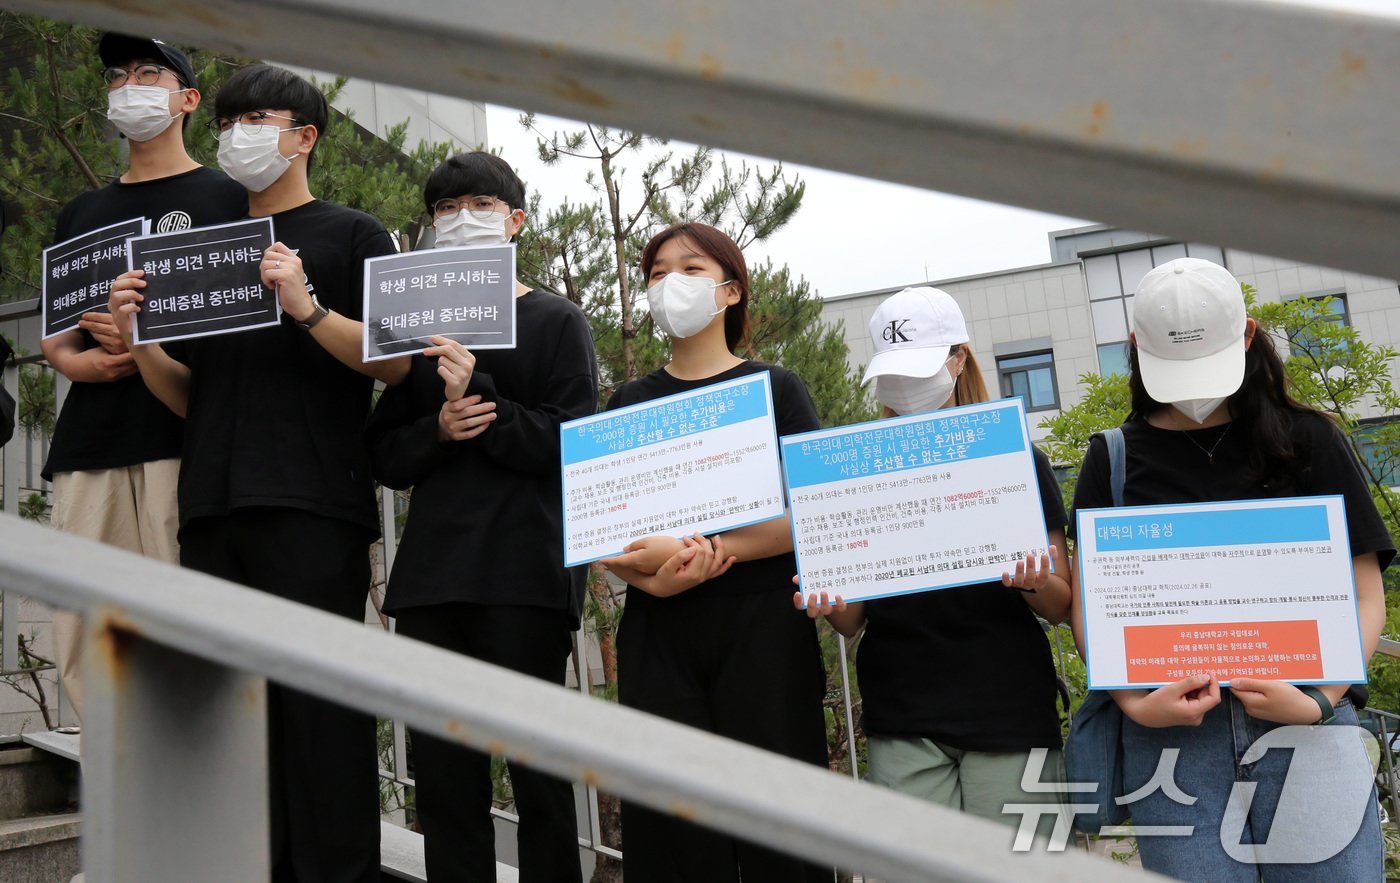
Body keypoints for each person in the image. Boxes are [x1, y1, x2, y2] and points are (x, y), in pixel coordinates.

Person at [109, 63, 409, 882]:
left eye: (256, 119)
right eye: (229, 121)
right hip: (211, 507)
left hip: (313, 506)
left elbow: (397, 366)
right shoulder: (202, 252)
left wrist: (307, 306)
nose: (236, 135)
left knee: (320, 715)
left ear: (303, 137)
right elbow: (188, 396)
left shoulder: (353, 234)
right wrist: (140, 339)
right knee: (228, 719)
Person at [1068, 257, 1391, 881]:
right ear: (1135, 348)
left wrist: (1320, 702)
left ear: (1248, 336)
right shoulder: (1112, 459)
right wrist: (1135, 705)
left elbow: (1364, 591)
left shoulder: (1308, 441)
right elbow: (1093, 605)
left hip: (1309, 734)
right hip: (1174, 746)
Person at [366, 152, 597, 883]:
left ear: (515, 219)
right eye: (443, 207)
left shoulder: (557, 318)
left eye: (477, 203)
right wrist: (438, 426)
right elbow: (385, 454)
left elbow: (575, 442)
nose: (459, 218)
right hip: (434, 579)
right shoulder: (415, 325)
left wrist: (485, 403)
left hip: (525, 575)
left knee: (539, 773)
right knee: (444, 776)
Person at [600, 223, 832, 883]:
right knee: (672, 832)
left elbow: (811, 508)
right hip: (660, 634)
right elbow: (606, 530)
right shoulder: (630, 402)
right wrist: (655, 581)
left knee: (782, 828)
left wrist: (706, 547)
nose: (670, 282)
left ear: (730, 290)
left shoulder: (776, 388)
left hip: (764, 628)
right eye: (656, 272)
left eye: (691, 268)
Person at [796, 286, 1071, 836]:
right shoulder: (856, 470)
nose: (906, 384)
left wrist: (1032, 582)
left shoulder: (1015, 455)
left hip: (1008, 705)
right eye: (895, 371)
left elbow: (1061, 603)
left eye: (919, 367)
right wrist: (830, 602)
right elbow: (854, 620)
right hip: (903, 712)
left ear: (958, 357)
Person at [40, 32, 247, 720]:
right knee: (90, 637)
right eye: (118, 75)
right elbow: (57, 336)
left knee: (188, 633)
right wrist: (84, 360)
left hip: (183, 444)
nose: (130, 85)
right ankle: (117, 788)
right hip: (89, 446)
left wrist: (150, 339)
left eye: (149, 72)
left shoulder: (228, 198)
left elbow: (243, 318)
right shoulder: (82, 212)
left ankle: (199, 801)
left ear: (187, 98)